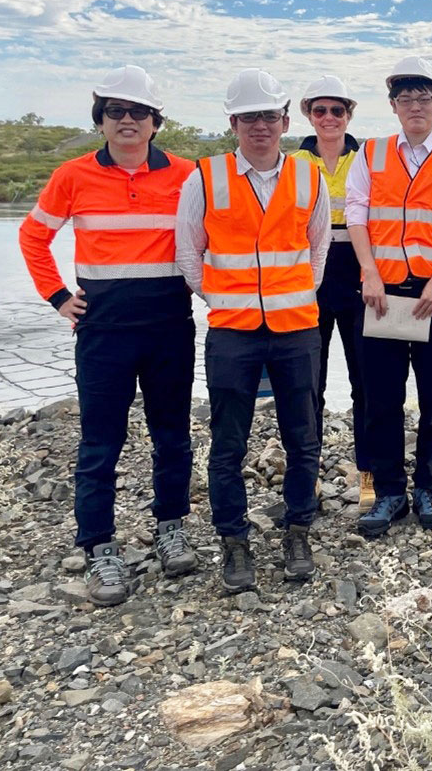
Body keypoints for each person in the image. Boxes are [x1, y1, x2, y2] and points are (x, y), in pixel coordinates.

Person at [18, 65, 198, 606]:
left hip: (170, 327)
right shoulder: (73, 176)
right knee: (100, 443)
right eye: (115, 112)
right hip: (104, 333)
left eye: (138, 112)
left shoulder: (189, 175)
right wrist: (56, 296)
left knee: (172, 436)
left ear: (154, 123)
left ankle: (171, 527)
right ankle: (99, 548)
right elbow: (33, 236)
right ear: (101, 121)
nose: (127, 121)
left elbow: (218, 234)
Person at [174, 69, 330, 593]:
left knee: (303, 439)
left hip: (296, 328)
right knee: (228, 443)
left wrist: (296, 294)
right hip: (233, 332)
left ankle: (298, 529)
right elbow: (187, 253)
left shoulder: (309, 177)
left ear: (285, 120)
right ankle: (233, 541)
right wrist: (221, 299)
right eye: (248, 117)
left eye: (268, 116)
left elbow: (319, 249)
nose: (259, 126)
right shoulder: (205, 176)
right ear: (233, 123)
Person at [346, 56, 432, 537]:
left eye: (424, 97)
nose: (415, 105)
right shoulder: (371, 153)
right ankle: (388, 493)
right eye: (406, 98)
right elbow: (356, 215)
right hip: (381, 292)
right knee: (380, 396)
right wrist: (369, 273)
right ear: (393, 106)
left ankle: (428, 487)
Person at [292, 75, 372, 513]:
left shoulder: (368, 160)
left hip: (359, 280)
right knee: (310, 386)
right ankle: (310, 476)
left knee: (367, 384)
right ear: (308, 114)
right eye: (319, 110)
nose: (328, 118)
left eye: (336, 111)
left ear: (348, 115)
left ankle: (369, 477)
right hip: (310, 282)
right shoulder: (291, 165)